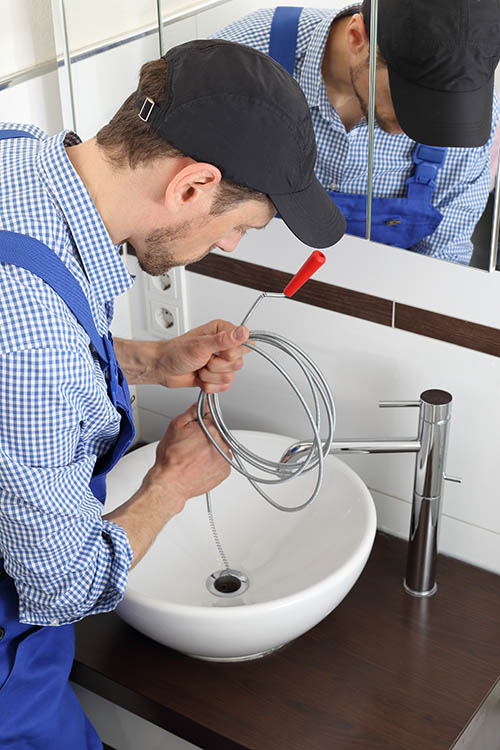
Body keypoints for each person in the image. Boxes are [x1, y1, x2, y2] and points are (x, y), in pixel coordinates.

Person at [0, 39, 345, 749]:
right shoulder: (33, 343)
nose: (231, 246)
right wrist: (171, 484)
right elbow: (63, 588)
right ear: (191, 186)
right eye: (239, 226)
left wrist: (151, 362)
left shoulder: (20, 152)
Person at [212, 0, 500, 265]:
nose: (419, 127)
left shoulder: (469, 115)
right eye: (407, 100)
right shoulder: (240, 58)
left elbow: (445, 258)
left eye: (440, 108)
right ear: (357, 37)